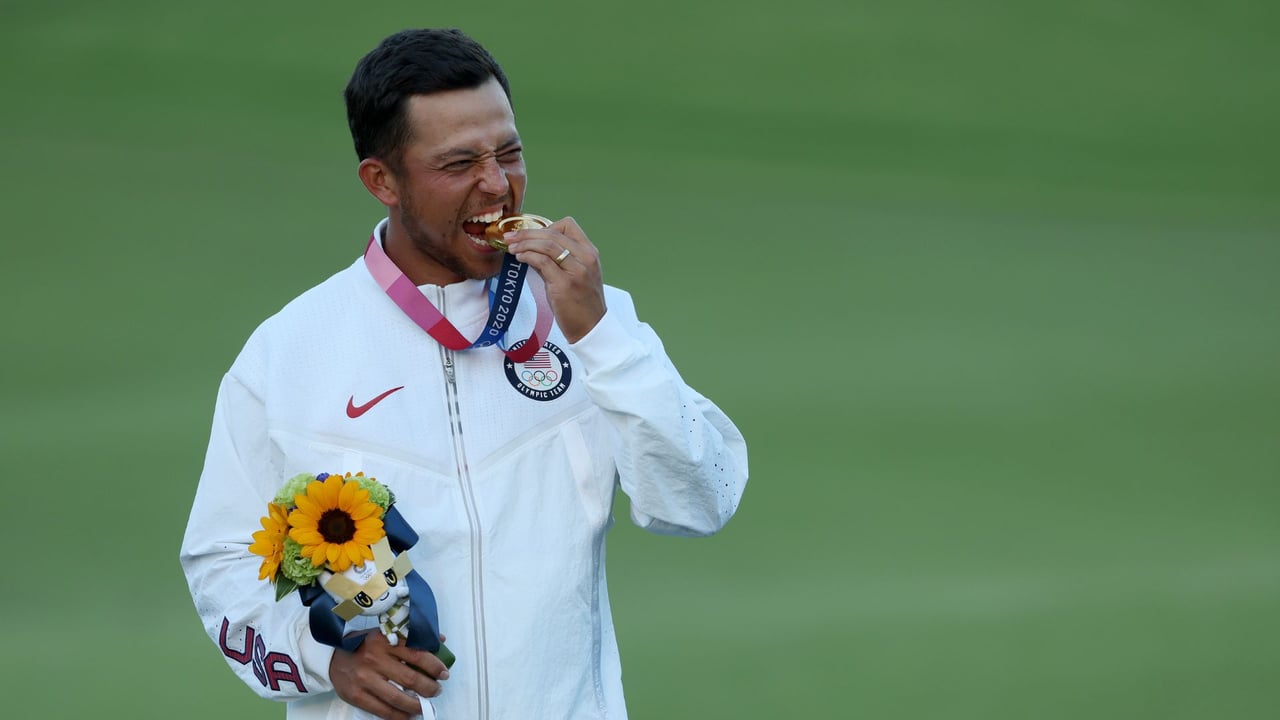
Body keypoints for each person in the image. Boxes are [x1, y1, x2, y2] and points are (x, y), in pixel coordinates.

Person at [180, 27, 748, 720]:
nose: (497, 185)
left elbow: (701, 502)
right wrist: (320, 656)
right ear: (381, 180)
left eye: (508, 152)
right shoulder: (289, 353)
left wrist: (601, 336)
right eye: (458, 163)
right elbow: (222, 562)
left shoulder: (589, 320)